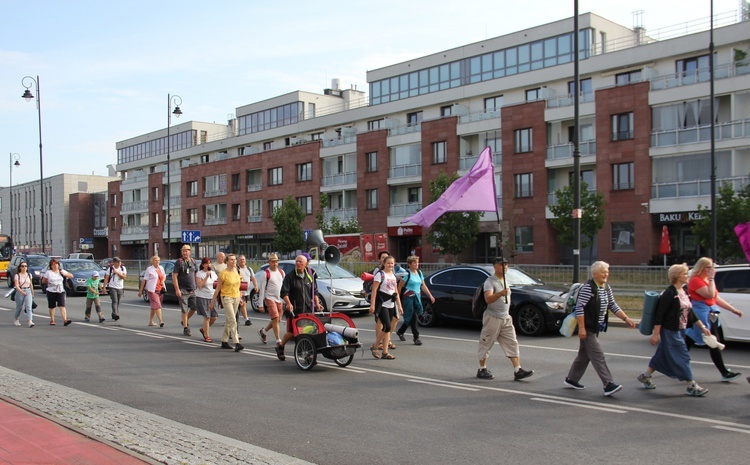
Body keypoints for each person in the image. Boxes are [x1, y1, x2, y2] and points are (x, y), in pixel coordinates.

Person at [637, 264, 711, 396]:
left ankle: (645, 375)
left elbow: (690, 313)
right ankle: (691, 385)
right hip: (670, 330)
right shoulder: (669, 293)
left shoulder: (684, 291)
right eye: (684, 274)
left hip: (681, 330)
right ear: (676, 276)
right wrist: (656, 334)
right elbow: (659, 315)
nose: (687, 276)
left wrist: (703, 327)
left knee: (663, 355)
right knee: (682, 356)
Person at [564, 261, 636, 396]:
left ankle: (571, 379)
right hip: (588, 328)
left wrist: (626, 319)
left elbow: (613, 305)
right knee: (598, 356)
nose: (606, 274)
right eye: (603, 272)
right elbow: (579, 307)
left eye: (607, 272)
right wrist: (582, 328)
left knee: (584, 356)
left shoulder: (606, 288)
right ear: (595, 273)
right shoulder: (588, 288)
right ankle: (608, 384)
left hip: (596, 327)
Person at [684, 257, 743, 382]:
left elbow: (715, 298)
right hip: (700, 314)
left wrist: (733, 309)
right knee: (712, 342)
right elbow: (709, 295)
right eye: (709, 267)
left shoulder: (706, 281)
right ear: (702, 267)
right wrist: (711, 279)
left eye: (712, 267)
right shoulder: (696, 280)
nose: (712, 269)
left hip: (710, 314)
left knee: (691, 342)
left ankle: (674, 364)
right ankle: (724, 372)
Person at [476, 257, 534, 381]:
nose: (505, 267)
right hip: (493, 317)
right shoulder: (490, 282)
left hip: (505, 317)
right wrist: (500, 293)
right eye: (502, 265)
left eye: (506, 265)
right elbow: (488, 299)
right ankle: (482, 369)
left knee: (512, 342)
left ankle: (517, 369)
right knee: (486, 343)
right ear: (495, 266)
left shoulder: (505, 281)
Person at [276, 255, 323, 361]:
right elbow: (284, 292)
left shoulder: (309, 276)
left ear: (306, 264)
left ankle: (307, 354)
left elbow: (314, 291)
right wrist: (288, 303)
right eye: (297, 261)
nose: (298, 263)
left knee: (307, 331)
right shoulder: (290, 276)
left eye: (301, 262)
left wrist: (317, 303)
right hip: (294, 310)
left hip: (307, 309)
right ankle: (280, 347)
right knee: (293, 333)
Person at [369, 255, 403, 360]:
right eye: (388, 263)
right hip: (382, 304)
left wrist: (399, 305)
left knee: (387, 330)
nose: (390, 265)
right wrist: (372, 305)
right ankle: (375, 346)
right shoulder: (380, 275)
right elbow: (374, 290)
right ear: (384, 263)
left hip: (391, 304)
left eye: (392, 263)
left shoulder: (393, 275)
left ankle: (385, 352)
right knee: (387, 327)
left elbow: (396, 292)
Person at [396, 255, 434, 345]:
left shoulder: (419, 273)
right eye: (414, 262)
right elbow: (400, 287)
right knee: (413, 317)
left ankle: (400, 331)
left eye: (417, 262)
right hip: (408, 299)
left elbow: (423, 285)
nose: (417, 264)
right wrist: (397, 300)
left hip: (417, 298)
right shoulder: (407, 274)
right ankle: (416, 338)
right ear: (409, 264)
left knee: (410, 318)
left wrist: (430, 295)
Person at [209, 253, 244, 352]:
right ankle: (236, 342)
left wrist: (240, 297)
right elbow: (218, 289)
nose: (234, 261)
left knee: (229, 320)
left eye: (234, 259)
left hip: (236, 297)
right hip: (226, 297)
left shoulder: (237, 271)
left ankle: (224, 341)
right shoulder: (223, 273)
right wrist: (212, 301)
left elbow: (239, 286)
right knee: (233, 319)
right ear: (227, 262)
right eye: (231, 260)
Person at [257, 253, 285, 346]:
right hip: (269, 298)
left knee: (277, 320)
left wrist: (285, 299)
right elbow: (261, 289)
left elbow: (283, 287)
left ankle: (263, 331)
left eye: (276, 262)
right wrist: (260, 304)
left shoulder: (281, 272)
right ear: (269, 262)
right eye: (273, 262)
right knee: (276, 318)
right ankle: (278, 340)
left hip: (279, 299)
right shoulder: (266, 273)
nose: (275, 264)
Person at [174, 244, 198, 336]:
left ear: (190, 252)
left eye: (186, 251)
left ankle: (185, 320)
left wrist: (197, 286)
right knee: (184, 309)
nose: (184, 252)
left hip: (192, 289)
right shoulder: (179, 262)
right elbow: (174, 276)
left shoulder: (193, 261)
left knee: (194, 307)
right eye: (183, 251)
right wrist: (177, 289)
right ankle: (186, 327)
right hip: (183, 290)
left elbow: (196, 274)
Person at [42, 258, 74, 326]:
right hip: (51, 290)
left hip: (60, 290)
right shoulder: (48, 273)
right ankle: (52, 320)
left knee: (62, 305)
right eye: (53, 264)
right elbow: (43, 281)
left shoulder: (61, 271)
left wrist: (65, 274)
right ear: (51, 266)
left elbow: (71, 276)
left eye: (56, 264)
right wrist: (50, 282)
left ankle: (65, 320)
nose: (55, 266)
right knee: (52, 306)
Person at [138, 255, 166, 327]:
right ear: (152, 262)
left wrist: (162, 280)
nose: (157, 262)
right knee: (157, 305)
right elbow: (144, 280)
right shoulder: (149, 269)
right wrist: (141, 291)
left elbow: (164, 276)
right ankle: (161, 321)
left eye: (158, 260)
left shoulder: (161, 268)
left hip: (160, 289)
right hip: (152, 290)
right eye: (155, 260)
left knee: (154, 307)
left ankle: (151, 321)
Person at [195, 257, 218, 342]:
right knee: (207, 317)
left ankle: (203, 329)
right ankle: (207, 335)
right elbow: (200, 286)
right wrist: (206, 277)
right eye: (207, 263)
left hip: (212, 297)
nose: (209, 265)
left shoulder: (213, 273)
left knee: (214, 317)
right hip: (203, 296)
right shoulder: (199, 274)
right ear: (203, 264)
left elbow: (216, 284)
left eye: (210, 263)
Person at [237, 255, 258, 327]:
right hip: (238, 291)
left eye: (243, 259)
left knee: (242, 305)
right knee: (242, 305)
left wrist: (256, 286)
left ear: (245, 260)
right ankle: (246, 319)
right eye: (240, 260)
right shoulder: (236, 269)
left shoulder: (249, 269)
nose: (242, 261)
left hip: (246, 291)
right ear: (238, 261)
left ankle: (235, 318)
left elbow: (253, 278)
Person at [103, 257, 126, 321]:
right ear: (114, 263)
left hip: (120, 287)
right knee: (114, 301)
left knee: (118, 301)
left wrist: (117, 273)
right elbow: (106, 278)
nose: (119, 263)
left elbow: (124, 277)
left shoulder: (122, 268)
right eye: (117, 262)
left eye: (120, 262)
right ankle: (116, 314)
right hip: (112, 287)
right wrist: (104, 287)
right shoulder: (110, 269)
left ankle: (114, 313)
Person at [12, 262, 34, 328]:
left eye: (25, 266)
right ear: (20, 267)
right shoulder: (17, 275)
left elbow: (31, 284)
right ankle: (16, 319)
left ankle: (30, 321)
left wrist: (32, 293)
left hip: (28, 290)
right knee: (19, 307)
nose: (24, 267)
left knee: (29, 307)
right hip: (20, 291)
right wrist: (21, 292)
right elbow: (16, 285)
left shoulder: (29, 275)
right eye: (22, 266)